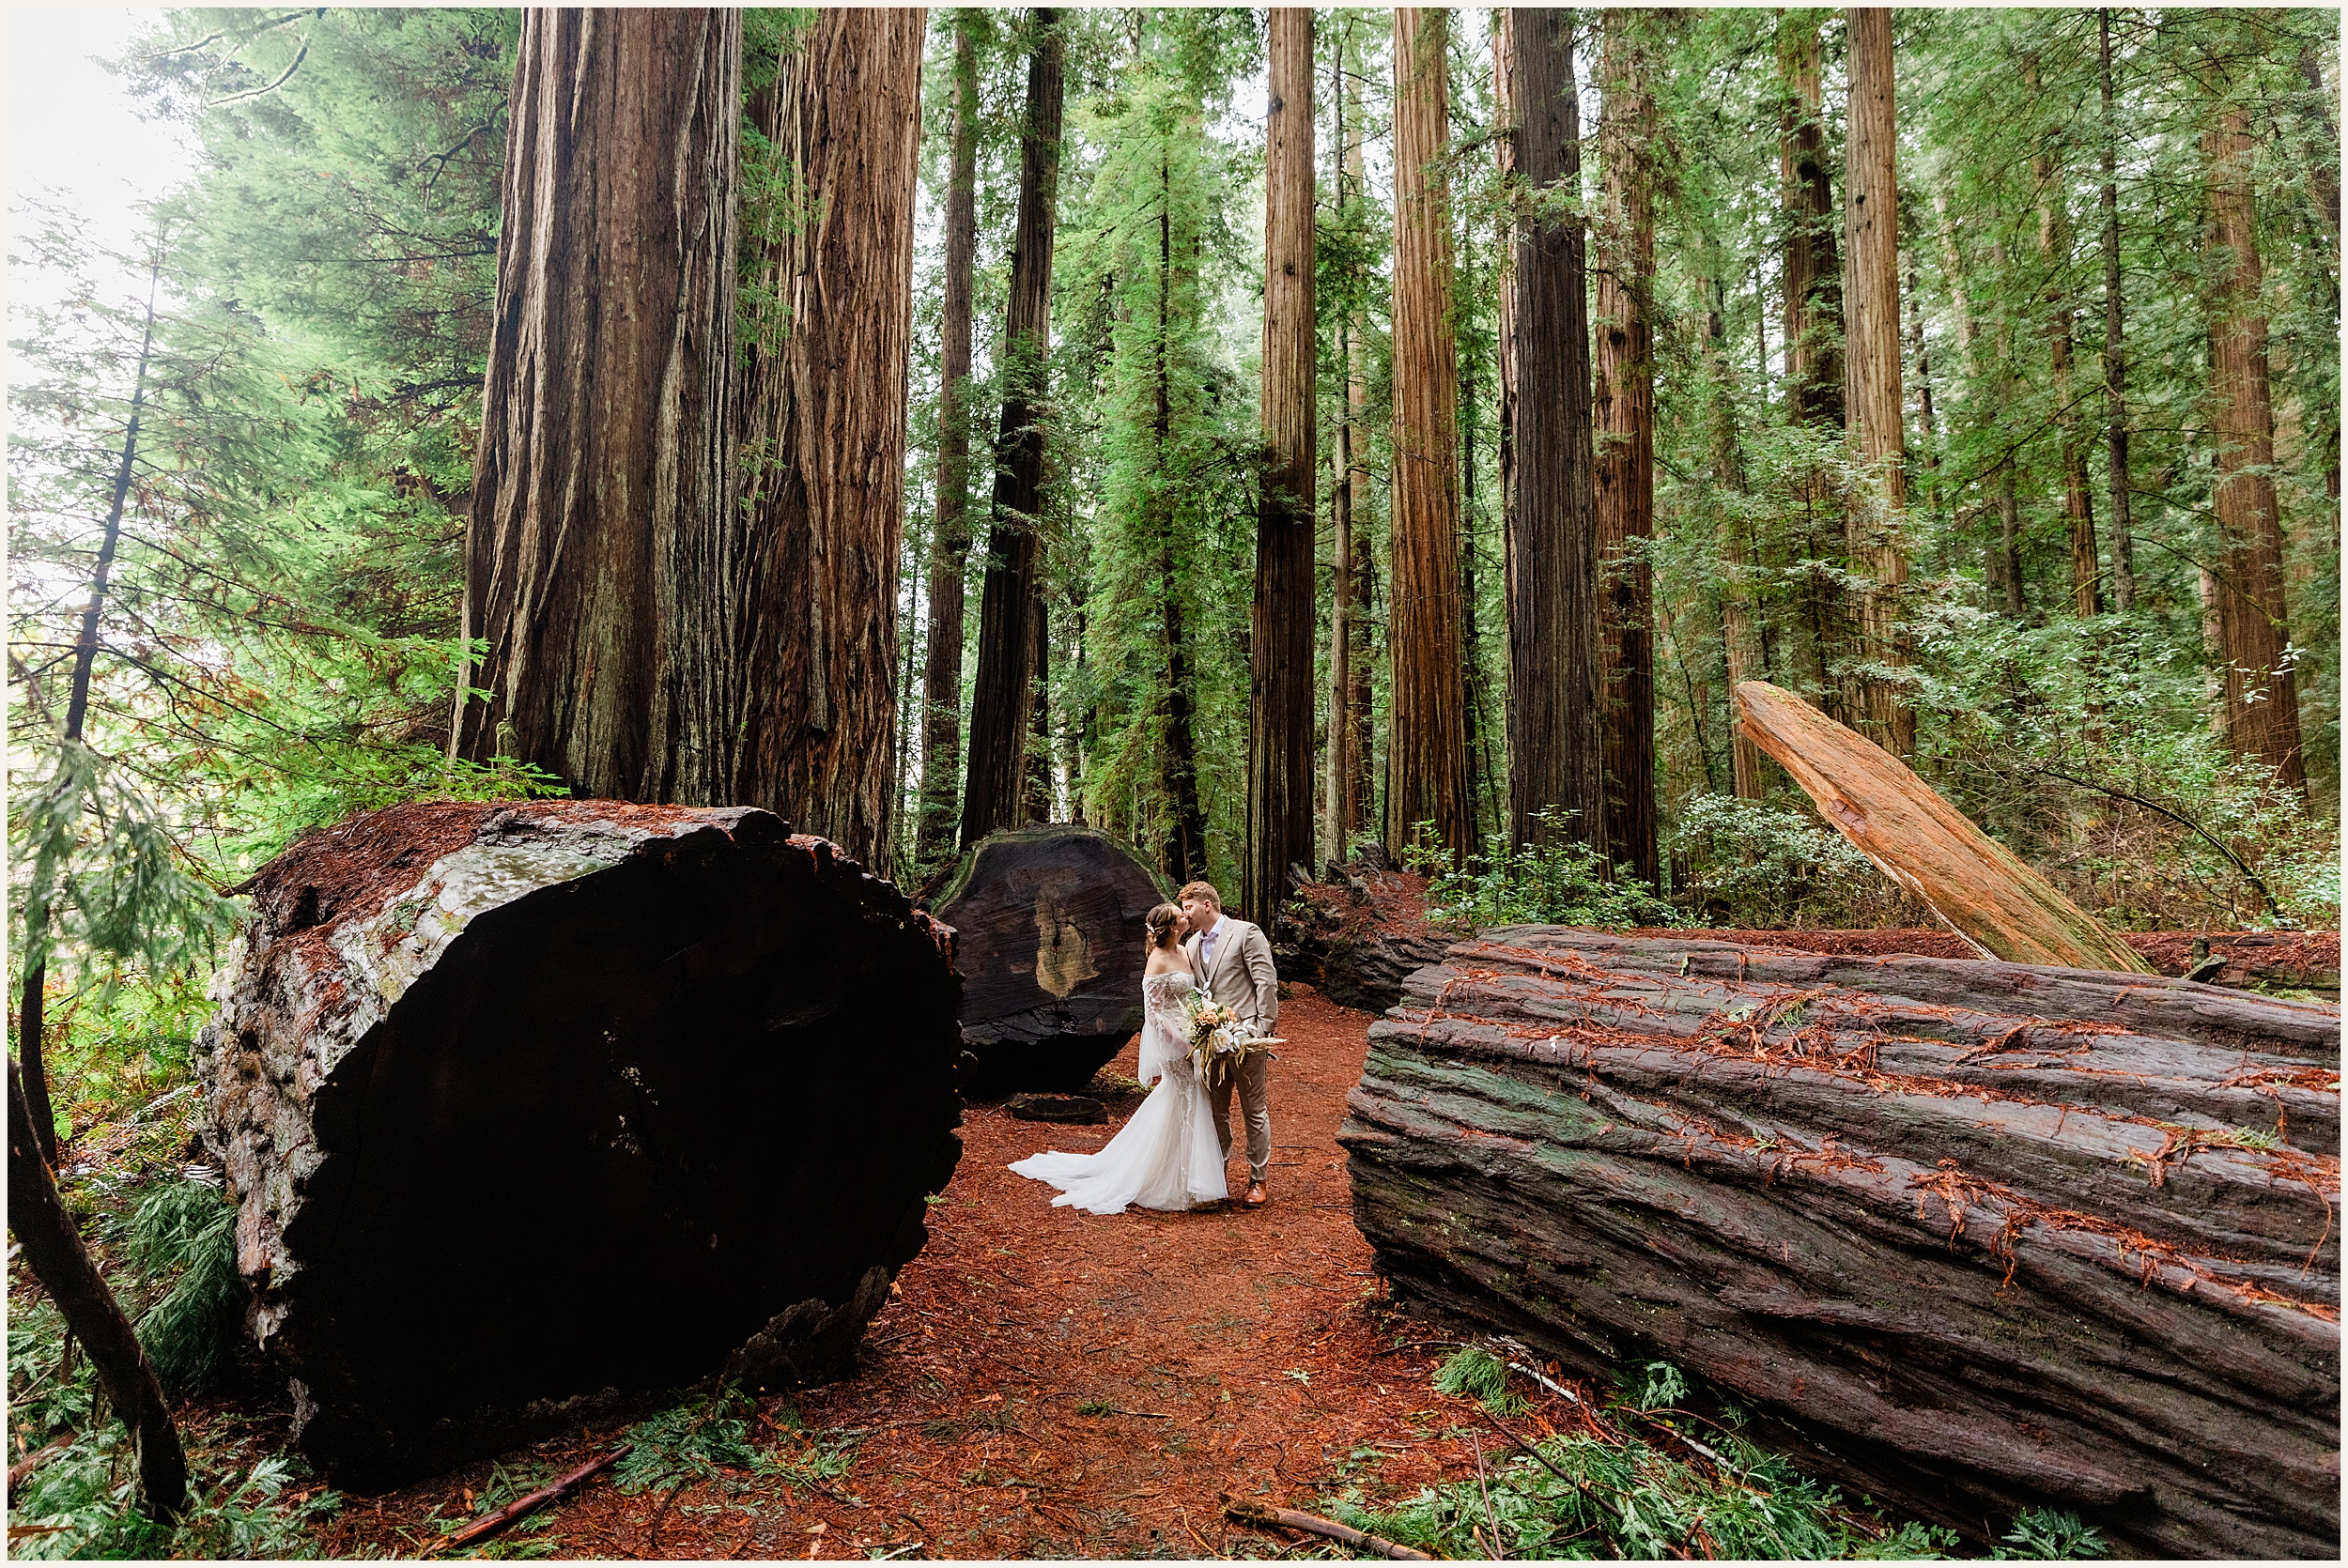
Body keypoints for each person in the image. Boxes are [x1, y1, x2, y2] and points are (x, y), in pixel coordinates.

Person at [1007, 904, 1228, 1215]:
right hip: (1174, 1044)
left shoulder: (1185, 952)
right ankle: (1175, 1182)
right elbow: (1153, 1015)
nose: (1185, 916)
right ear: (1170, 925)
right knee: (1182, 1098)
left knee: (1188, 1101)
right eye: (1180, 914)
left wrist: (1203, 1024)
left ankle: (1188, 1179)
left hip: (1193, 1035)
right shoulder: (1157, 961)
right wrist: (1180, 1042)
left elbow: (1190, 998)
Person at [1177, 880, 1276, 1208]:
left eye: (1188, 907)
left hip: (1247, 1039)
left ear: (1207, 904)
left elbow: (1266, 983)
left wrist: (1261, 1030)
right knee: (1215, 1112)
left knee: (1254, 1111)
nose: (1185, 913)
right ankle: (1215, 1180)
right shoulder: (1190, 946)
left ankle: (1257, 1180)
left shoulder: (1246, 933)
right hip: (1210, 1045)